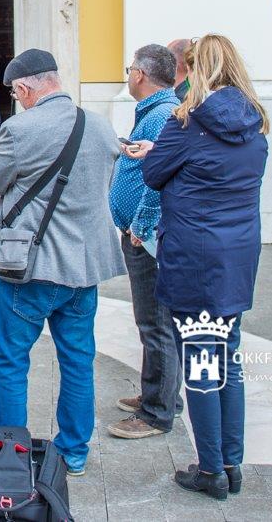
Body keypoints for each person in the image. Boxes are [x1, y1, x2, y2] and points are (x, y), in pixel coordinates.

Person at [126, 34, 269, 501]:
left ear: (197, 70)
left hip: (195, 259)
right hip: (237, 258)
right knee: (229, 361)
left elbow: (153, 175)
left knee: (203, 366)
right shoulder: (256, 124)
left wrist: (156, 153)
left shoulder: (187, 123)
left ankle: (210, 470)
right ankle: (231, 463)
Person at [0, 49, 125, 477]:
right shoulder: (101, 126)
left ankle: (11, 454)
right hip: (83, 269)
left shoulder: (19, 129)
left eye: (15, 93)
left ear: (25, 88)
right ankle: (74, 452)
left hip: (29, 267)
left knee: (10, 362)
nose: (16, 100)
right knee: (78, 361)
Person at [106, 44, 182, 441]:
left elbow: (157, 178)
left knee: (155, 323)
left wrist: (140, 225)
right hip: (145, 233)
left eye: (129, 69)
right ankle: (161, 393)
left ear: (139, 74)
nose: (128, 75)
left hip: (147, 237)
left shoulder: (161, 115)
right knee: (155, 322)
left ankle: (157, 412)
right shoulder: (157, 112)